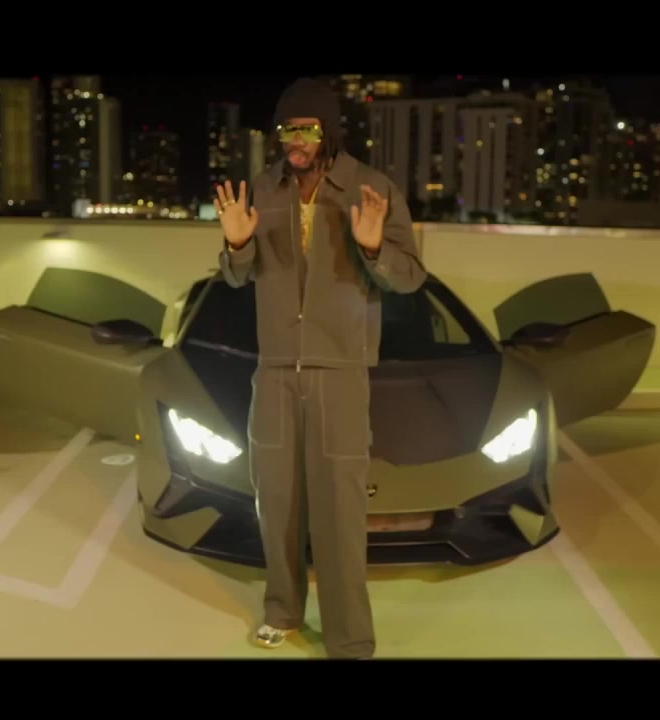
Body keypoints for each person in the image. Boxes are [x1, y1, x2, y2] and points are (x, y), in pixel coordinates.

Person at [213, 77, 426, 659]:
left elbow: (410, 276)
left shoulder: (370, 188)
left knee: (339, 509)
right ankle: (281, 610)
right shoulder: (263, 188)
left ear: (328, 130)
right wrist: (236, 245)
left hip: (340, 371)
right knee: (276, 500)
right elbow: (236, 276)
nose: (295, 142)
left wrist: (375, 247)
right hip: (275, 371)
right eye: (287, 131)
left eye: (306, 130)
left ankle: (349, 636)